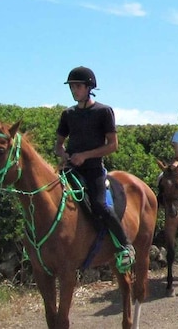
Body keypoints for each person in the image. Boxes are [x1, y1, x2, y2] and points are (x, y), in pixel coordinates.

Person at [54, 66, 135, 269]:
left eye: (78, 86)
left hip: (93, 170)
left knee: (100, 205)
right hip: (71, 169)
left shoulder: (103, 111)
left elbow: (112, 145)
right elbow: (58, 145)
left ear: (89, 87)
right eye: (71, 87)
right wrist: (65, 156)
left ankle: (126, 246)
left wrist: (85, 155)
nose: (74, 91)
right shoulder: (68, 114)